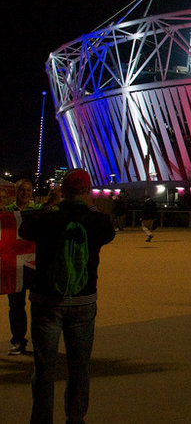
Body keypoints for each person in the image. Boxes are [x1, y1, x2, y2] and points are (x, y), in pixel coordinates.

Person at [19, 168, 116, 423]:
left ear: (63, 190)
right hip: (83, 301)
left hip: (47, 301)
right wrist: (90, 206)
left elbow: (24, 231)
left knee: (44, 369)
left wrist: (49, 205)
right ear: (86, 191)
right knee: (79, 367)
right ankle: (75, 418)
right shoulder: (97, 221)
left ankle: (41, 419)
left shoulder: (49, 218)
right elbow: (109, 232)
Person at [4, 179, 41, 356]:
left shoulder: (38, 211)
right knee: (16, 306)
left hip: (34, 265)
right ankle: (18, 340)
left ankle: (40, 340)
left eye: (28, 189)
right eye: (21, 190)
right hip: (15, 267)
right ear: (15, 191)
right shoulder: (7, 212)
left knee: (38, 305)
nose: (25, 193)